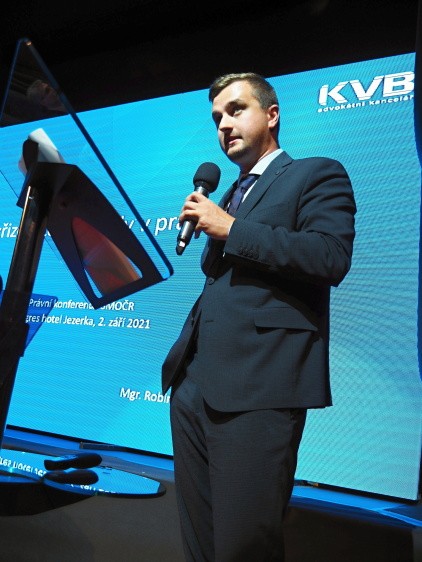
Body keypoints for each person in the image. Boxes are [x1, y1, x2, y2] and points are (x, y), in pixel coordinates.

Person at [162, 72, 356, 562]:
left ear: (271, 115)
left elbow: (330, 256)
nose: (224, 125)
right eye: (216, 118)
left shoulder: (316, 173)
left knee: (243, 547)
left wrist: (231, 228)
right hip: (195, 385)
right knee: (201, 545)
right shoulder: (229, 193)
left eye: (236, 110)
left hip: (261, 385)